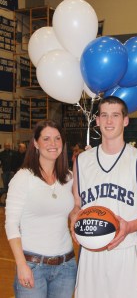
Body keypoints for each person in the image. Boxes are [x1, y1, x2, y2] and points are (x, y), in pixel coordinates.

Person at [70, 96, 137, 298]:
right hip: (90, 252)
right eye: (104, 115)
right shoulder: (81, 162)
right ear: (97, 121)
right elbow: (77, 203)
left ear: (125, 120)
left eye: (115, 115)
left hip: (126, 252)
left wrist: (129, 226)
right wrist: (74, 216)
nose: (109, 121)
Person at [5, 119, 77, 298]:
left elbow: (76, 207)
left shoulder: (69, 179)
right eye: (46, 139)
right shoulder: (23, 178)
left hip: (66, 267)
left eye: (57, 138)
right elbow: (11, 224)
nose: (53, 144)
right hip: (32, 266)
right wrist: (21, 265)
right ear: (36, 143)